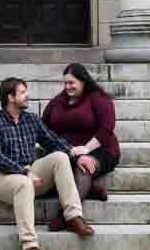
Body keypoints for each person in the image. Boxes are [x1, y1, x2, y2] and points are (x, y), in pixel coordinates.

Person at [0, 75, 93, 250]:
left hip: (30, 174)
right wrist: (24, 172)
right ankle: (30, 247)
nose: (28, 96)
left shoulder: (31, 119)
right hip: (0, 178)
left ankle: (73, 216)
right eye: (23, 92)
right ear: (10, 97)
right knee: (24, 183)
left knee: (60, 156)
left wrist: (76, 155)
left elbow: (53, 141)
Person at [43, 62, 119, 223]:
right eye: (65, 83)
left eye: (72, 83)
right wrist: (66, 148)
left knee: (83, 169)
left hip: (100, 149)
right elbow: (43, 128)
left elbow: (107, 128)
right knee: (52, 169)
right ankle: (89, 189)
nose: (67, 87)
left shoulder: (98, 98)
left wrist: (86, 148)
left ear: (83, 81)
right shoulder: (58, 101)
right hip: (67, 151)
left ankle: (65, 216)